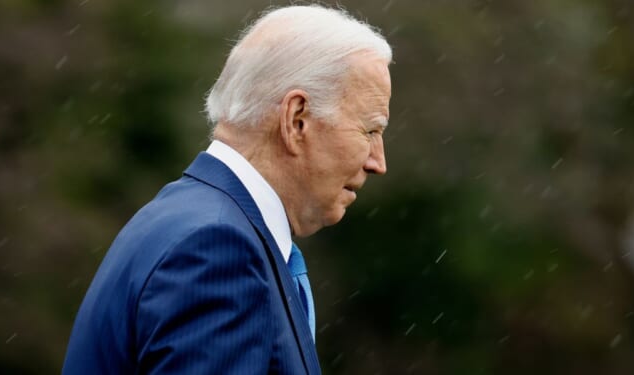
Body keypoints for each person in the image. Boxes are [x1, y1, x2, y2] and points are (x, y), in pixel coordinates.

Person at [62, 4, 391, 374]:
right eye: (371, 131)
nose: (378, 162)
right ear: (296, 120)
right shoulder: (218, 249)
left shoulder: (184, 220)